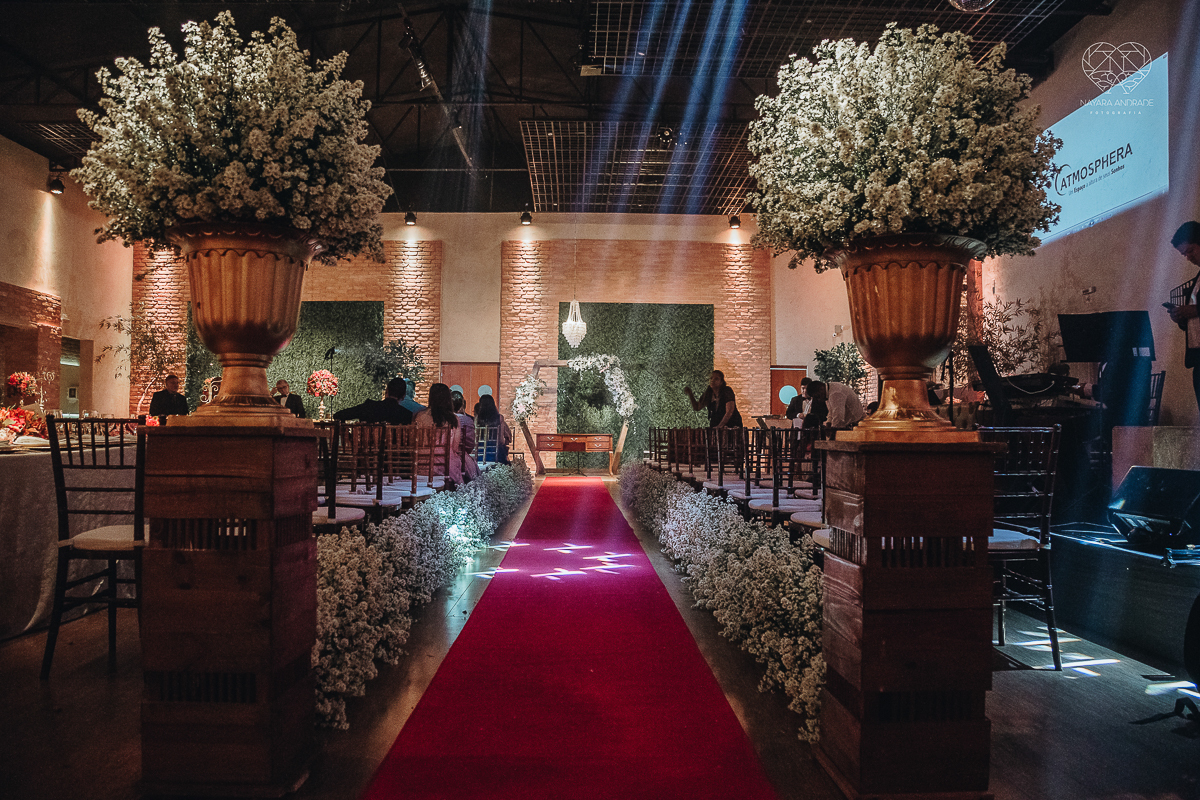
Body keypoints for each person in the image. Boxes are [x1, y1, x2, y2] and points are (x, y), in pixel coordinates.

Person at [1166, 221, 1200, 414]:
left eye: (1190, 251)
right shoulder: (1197, 278)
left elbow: (1196, 311)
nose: (1188, 258)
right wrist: (1181, 317)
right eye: (1184, 254)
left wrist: (1193, 311)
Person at [414, 383, 462, 484]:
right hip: (446, 466)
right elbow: (455, 447)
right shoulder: (453, 419)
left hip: (421, 466)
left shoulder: (420, 417)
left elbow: (414, 442)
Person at [333, 376, 413, 424]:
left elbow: (338, 415)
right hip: (395, 452)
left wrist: (350, 437)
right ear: (403, 395)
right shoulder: (407, 415)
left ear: (386, 391)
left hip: (366, 451)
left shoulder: (369, 407)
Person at [474, 393, 513, 464]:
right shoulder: (499, 418)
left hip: (480, 452)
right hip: (496, 453)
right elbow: (501, 440)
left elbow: (475, 439)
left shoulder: (477, 418)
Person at [452, 390, 479, 481]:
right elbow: (470, 444)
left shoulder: (443, 419)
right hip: (461, 456)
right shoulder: (467, 420)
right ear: (462, 405)